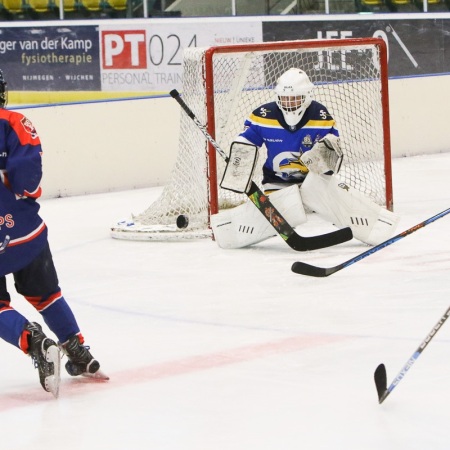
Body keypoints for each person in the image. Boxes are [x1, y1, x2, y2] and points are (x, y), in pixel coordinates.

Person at [0, 69, 105, 398]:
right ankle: (78, 351)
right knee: (46, 294)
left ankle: (35, 342)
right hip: (26, 233)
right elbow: (28, 178)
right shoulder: (14, 122)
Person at [210, 68, 399, 249]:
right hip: (276, 182)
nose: (289, 103)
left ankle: (377, 226)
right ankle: (229, 230)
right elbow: (247, 140)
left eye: (295, 98)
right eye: (285, 98)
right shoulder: (262, 116)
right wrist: (240, 156)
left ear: (307, 96)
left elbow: (332, 156)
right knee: (285, 210)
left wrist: (326, 156)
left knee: (332, 196)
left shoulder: (320, 116)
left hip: (313, 179)